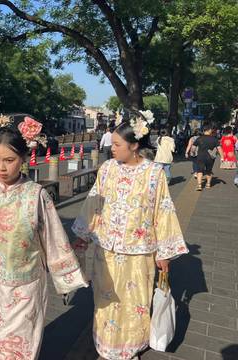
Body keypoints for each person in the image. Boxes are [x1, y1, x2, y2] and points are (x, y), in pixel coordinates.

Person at [0, 114, 88, 359]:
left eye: (10, 160)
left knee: (23, 345)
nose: (2, 167)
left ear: (23, 159)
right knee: (0, 342)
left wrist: (64, 276)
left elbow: (53, 237)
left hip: (26, 285)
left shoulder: (36, 195)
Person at [72, 112, 188, 360]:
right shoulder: (107, 169)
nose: (111, 149)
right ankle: (106, 344)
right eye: (112, 144)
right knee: (106, 299)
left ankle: (130, 347)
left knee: (136, 301)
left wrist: (165, 253)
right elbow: (94, 203)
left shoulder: (154, 173)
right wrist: (83, 234)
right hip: (107, 249)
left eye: (117, 145)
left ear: (134, 146)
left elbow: (163, 211)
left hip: (140, 250)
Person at [193, 124, 224, 190]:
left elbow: (193, 147)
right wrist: (222, 157)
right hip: (210, 158)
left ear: (203, 130)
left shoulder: (199, 138)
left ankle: (199, 185)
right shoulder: (214, 139)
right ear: (210, 130)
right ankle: (208, 184)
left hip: (200, 157)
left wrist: (192, 153)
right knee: (209, 171)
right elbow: (219, 148)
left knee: (199, 171)